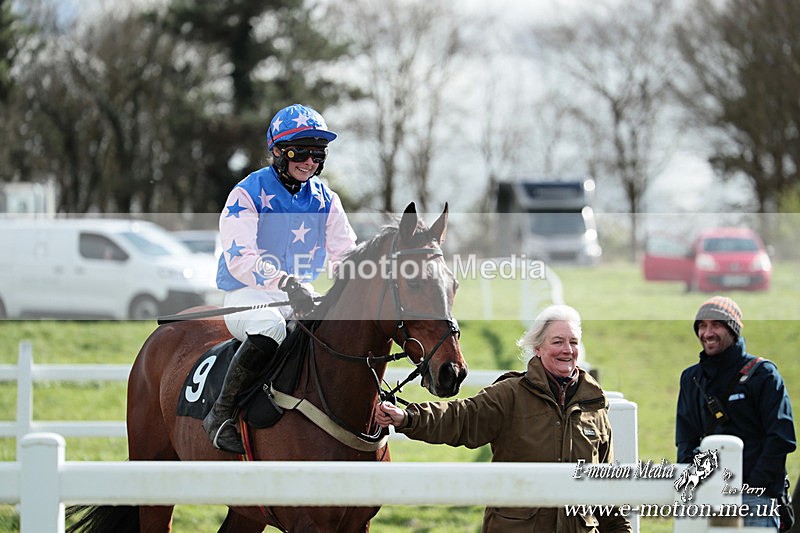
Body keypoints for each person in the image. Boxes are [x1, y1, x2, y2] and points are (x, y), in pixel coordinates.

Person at [374, 304, 632, 532]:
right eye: (557, 342)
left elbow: (606, 490)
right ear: (538, 348)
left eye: (573, 342)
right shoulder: (510, 394)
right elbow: (461, 418)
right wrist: (407, 418)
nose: (567, 350)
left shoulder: (594, 406)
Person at [204, 103, 357, 453]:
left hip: (300, 296)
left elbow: (344, 253)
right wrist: (287, 284)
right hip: (247, 295)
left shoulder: (326, 200)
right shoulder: (247, 193)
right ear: (277, 150)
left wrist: (360, 276)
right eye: (300, 151)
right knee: (271, 325)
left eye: (318, 153)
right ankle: (221, 413)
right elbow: (241, 259)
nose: (309, 161)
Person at [676, 296, 796, 530]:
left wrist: (753, 485)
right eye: (702, 325)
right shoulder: (691, 378)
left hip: (755, 499)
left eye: (716, 325)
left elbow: (781, 438)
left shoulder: (764, 375)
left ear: (733, 329)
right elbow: (685, 440)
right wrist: (696, 487)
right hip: (707, 495)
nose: (707, 333)